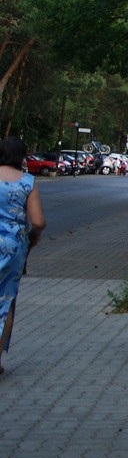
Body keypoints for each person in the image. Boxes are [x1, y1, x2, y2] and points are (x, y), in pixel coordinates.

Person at [0, 137, 46, 376]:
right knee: (5, 301)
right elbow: (38, 221)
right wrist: (32, 238)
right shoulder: (27, 182)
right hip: (13, 247)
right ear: (22, 157)